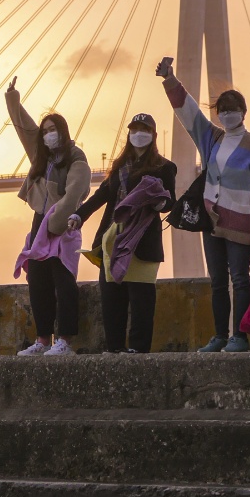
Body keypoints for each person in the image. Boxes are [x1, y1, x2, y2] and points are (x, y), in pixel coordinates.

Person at [156, 56, 250, 352]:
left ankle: (240, 337)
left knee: (240, 279)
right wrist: (170, 80)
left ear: (244, 112)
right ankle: (220, 335)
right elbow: (189, 113)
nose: (227, 114)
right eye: (223, 110)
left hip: (241, 223)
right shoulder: (212, 138)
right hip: (211, 220)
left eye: (233, 110)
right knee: (218, 281)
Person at [68, 114, 176, 353]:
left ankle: (138, 349)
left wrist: (160, 204)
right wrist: (79, 215)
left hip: (143, 238)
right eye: (134, 129)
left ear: (153, 135)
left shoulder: (165, 167)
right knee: (111, 296)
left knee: (141, 298)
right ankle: (114, 348)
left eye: (144, 129)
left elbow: (171, 202)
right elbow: (101, 196)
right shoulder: (119, 167)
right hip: (113, 236)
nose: (139, 133)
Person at [4, 77, 91, 356]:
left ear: (63, 131)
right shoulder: (40, 156)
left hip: (62, 225)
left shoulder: (77, 157)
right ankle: (42, 340)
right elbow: (26, 129)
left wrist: (55, 225)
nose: (48, 135)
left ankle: (63, 340)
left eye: (53, 130)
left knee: (63, 281)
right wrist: (13, 99)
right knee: (38, 281)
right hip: (39, 222)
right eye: (46, 131)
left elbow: (76, 193)